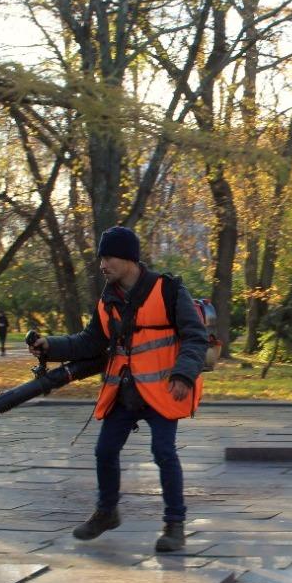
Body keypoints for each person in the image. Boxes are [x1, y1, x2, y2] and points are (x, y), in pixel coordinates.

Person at [30, 226, 208, 553]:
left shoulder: (168, 290)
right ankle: (107, 512)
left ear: (129, 259)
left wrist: (184, 374)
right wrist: (50, 346)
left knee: (163, 453)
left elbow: (195, 336)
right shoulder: (107, 299)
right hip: (125, 392)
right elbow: (89, 342)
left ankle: (175, 524)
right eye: (101, 258)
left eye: (108, 257)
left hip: (163, 390)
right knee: (104, 451)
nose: (102, 264)